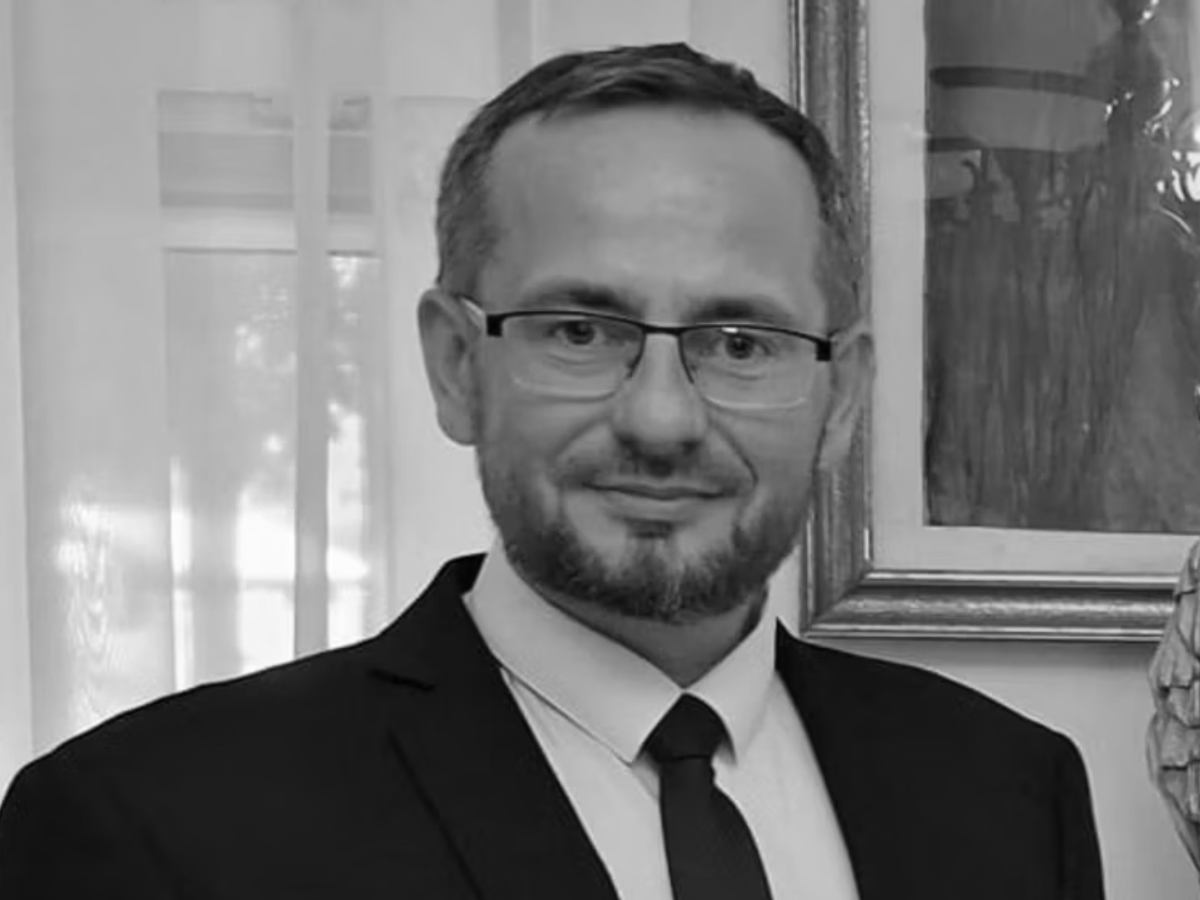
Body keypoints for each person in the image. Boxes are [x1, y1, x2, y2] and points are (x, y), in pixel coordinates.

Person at [0, 42, 1104, 900]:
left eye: (740, 341)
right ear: (455, 365)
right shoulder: (155, 823)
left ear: (843, 394)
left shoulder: (1010, 791)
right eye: (580, 330)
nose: (663, 419)